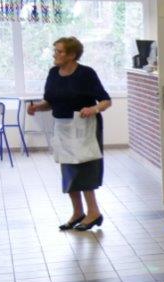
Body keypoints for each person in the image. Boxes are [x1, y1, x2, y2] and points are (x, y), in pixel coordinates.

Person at [27, 37, 111, 231]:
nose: (55, 54)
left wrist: (93, 109)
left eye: (59, 51)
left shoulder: (86, 74)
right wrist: (37, 107)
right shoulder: (53, 73)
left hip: (84, 126)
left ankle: (94, 212)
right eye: (55, 51)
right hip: (63, 127)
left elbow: (106, 101)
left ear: (72, 55)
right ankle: (78, 212)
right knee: (68, 169)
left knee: (85, 168)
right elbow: (50, 102)